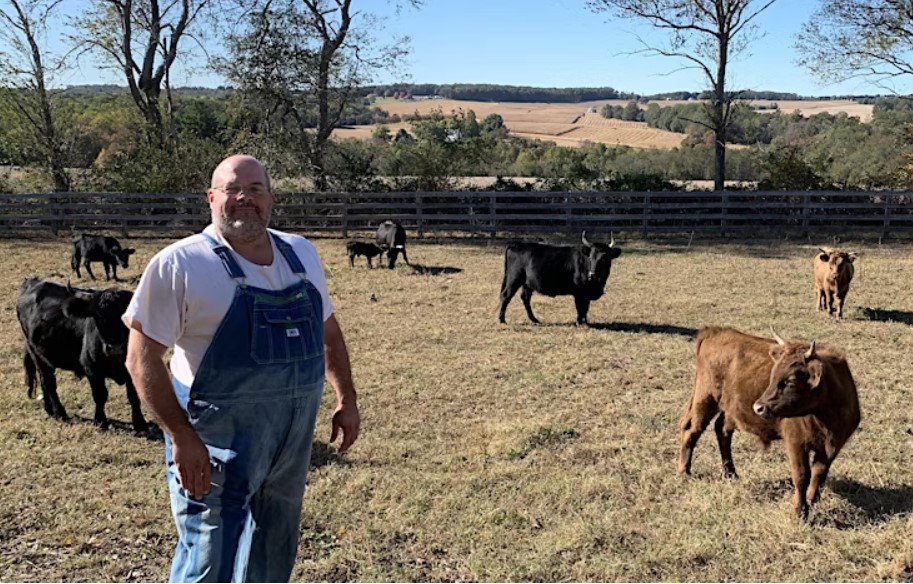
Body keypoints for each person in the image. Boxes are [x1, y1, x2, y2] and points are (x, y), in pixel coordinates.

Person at [123, 154, 360, 583]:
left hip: (290, 445)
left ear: (271, 197)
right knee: (210, 557)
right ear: (211, 198)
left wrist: (347, 399)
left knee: (273, 552)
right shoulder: (181, 264)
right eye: (232, 189)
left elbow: (328, 331)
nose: (243, 199)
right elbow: (140, 360)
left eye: (254, 189)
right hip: (215, 445)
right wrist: (181, 436)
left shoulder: (301, 253)